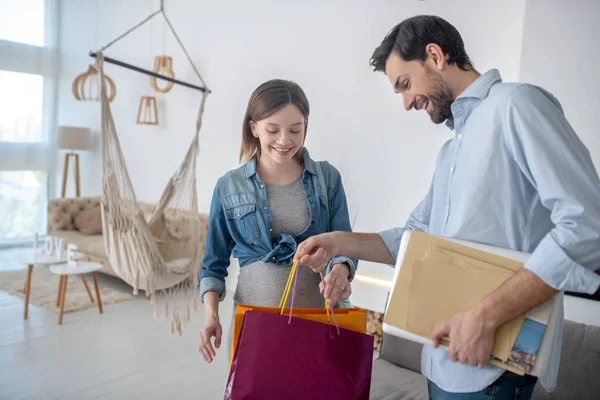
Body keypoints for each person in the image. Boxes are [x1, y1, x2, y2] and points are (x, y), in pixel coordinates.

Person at [294, 15, 600, 399]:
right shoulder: (451, 150)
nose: (406, 104)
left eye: (405, 84)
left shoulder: (516, 105)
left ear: (435, 56)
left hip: (492, 368)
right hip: (442, 362)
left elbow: (588, 225)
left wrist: (485, 315)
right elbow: (413, 239)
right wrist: (339, 242)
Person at [198, 79, 357, 363]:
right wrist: (211, 316)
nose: (285, 140)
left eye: (296, 130)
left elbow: (345, 245)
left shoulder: (327, 178)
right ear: (254, 127)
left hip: (318, 323)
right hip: (253, 325)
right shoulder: (229, 186)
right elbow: (213, 264)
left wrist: (341, 272)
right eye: (273, 130)